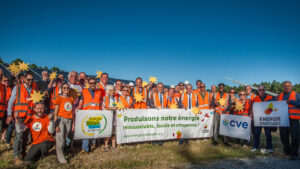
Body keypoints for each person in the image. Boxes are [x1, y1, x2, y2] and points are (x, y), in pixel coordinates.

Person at [7, 71, 38, 162]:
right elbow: (11, 102)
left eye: (32, 80)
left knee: (25, 136)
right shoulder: (17, 88)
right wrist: (9, 114)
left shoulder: (34, 91)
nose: (30, 81)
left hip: (29, 117)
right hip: (19, 117)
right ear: (23, 79)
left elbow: (35, 104)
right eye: (28, 79)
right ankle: (16, 155)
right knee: (19, 136)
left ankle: (23, 152)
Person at [276, 81, 300, 160]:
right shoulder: (279, 96)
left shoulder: (297, 95)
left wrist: (292, 102)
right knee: (283, 137)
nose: (286, 87)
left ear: (291, 87)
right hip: (283, 120)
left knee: (295, 137)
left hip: (293, 120)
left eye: (288, 86)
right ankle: (287, 151)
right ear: (283, 87)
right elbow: (272, 102)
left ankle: (294, 154)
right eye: (285, 86)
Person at [53, 83, 75, 163]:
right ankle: (61, 159)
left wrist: (73, 124)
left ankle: (61, 153)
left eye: (67, 88)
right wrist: (56, 124)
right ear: (61, 89)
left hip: (69, 120)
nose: (66, 89)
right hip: (61, 119)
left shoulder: (71, 99)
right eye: (64, 88)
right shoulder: (59, 98)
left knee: (64, 138)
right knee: (60, 139)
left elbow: (72, 112)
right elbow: (55, 112)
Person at [78, 78, 102, 152]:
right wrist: (78, 109)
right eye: (90, 83)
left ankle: (89, 147)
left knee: (92, 131)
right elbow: (80, 103)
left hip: (95, 115)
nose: (92, 85)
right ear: (88, 84)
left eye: (94, 83)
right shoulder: (84, 91)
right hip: (86, 115)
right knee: (86, 132)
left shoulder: (99, 92)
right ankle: (85, 149)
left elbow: (100, 103)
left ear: (96, 84)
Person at [251, 85, 274, 153]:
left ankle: (270, 147)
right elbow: (253, 108)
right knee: (257, 133)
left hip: (267, 118)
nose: (261, 91)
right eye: (260, 90)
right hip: (258, 118)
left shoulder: (271, 97)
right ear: (258, 91)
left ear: (265, 90)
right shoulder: (255, 98)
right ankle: (255, 147)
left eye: (263, 89)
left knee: (268, 133)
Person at [102, 85, 117, 151]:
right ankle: (106, 145)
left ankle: (113, 146)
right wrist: (112, 108)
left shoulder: (116, 98)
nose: (112, 91)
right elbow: (103, 107)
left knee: (114, 131)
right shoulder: (105, 98)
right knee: (107, 131)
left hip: (115, 117)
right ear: (108, 91)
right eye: (111, 90)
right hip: (108, 116)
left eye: (113, 90)